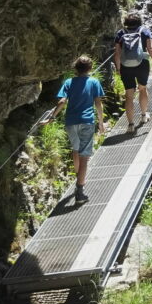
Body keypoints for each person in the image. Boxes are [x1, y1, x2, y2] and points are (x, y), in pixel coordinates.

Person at [49, 56, 106, 205]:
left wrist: (51, 117)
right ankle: (79, 191)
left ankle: (78, 176)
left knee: (76, 149)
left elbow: (62, 101)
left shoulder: (68, 82)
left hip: (70, 122)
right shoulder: (94, 82)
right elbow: (98, 103)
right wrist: (101, 122)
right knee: (84, 157)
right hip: (86, 122)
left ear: (76, 68)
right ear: (90, 68)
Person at [115, 12, 152, 133]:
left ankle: (130, 125)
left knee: (129, 95)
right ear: (139, 21)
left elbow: (117, 53)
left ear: (126, 22)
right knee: (142, 89)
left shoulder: (120, 33)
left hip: (125, 66)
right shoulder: (144, 31)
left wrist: (118, 68)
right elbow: (150, 49)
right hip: (142, 64)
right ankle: (144, 115)